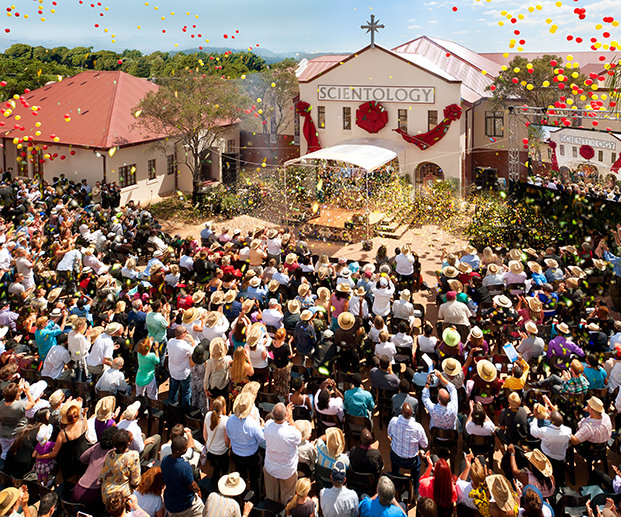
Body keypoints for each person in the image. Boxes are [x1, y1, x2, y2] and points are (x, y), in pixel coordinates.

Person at [226, 392, 265, 497]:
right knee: (255, 479)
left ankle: (241, 497)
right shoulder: (252, 424)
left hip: (237, 455)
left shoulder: (230, 420)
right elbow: (261, 439)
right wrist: (261, 427)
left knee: (241, 478)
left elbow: (229, 434)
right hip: (252, 456)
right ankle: (255, 500)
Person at [263, 403, 303, 505]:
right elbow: (300, 436)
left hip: (271, 468)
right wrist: (291, 419)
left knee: (272, 497)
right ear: (285, 415)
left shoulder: (268, 425)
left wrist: (286, 416)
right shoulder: (291, 432)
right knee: (287, 498)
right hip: (287, 471)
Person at [387, 403, 428, 496]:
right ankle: (416, 491)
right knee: (416, 471)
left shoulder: (394, 421)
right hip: (411, 461)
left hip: (396, 457)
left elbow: (389, 434)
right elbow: (425, 444)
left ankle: (396, 479)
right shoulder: (418, 427)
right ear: (412, 414)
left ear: (401, 412)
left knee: (395, 465)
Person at [73, 426, 118, 505]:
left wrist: (91, 462)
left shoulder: (97, 446)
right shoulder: (113, 453)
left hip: (78, 489)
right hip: (94, 493)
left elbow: (82, 458)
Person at [161, 435, 204, 517]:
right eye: (185, 447)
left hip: (170, 504)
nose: (187, 448)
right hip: (186, 504)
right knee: (202, 510)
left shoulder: (165, 460)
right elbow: (192, 485)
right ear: (178, 451)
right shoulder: (185, 467)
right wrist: (198, 491)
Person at [529, 409, 571, 488]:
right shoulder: (568, 431)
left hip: (547, 456)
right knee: (560, 481)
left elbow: (533, 431)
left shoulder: (545, 431)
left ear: (551, 421)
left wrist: (534, 419)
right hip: (560, 458)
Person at [100, 429, 141, 505]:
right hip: (121, 498)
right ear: (128, 443)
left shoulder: (110, 454)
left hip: (106, 496)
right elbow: (135, 481)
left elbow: (102, 476)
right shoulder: (133, 456)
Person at [202, 396, 230, 484]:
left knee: (215, 469)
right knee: (224, 471)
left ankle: (214, 482)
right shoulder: (226, 420)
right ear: (223, 407)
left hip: (210, 450)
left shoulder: (207, 415)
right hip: (221, 453)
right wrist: (229, 448)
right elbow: (226, 440)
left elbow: (204, 435)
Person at [167, 325, 196, 408]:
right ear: (183, 334)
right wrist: (192, 341)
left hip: (173, 372)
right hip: (184, 374)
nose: (187, 332)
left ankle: (172, 408)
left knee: (173, 389)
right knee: (186, 392)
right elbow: (194, 354)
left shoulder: (170, 341)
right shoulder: (186, 347)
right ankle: (184, 410)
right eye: (186, 331)